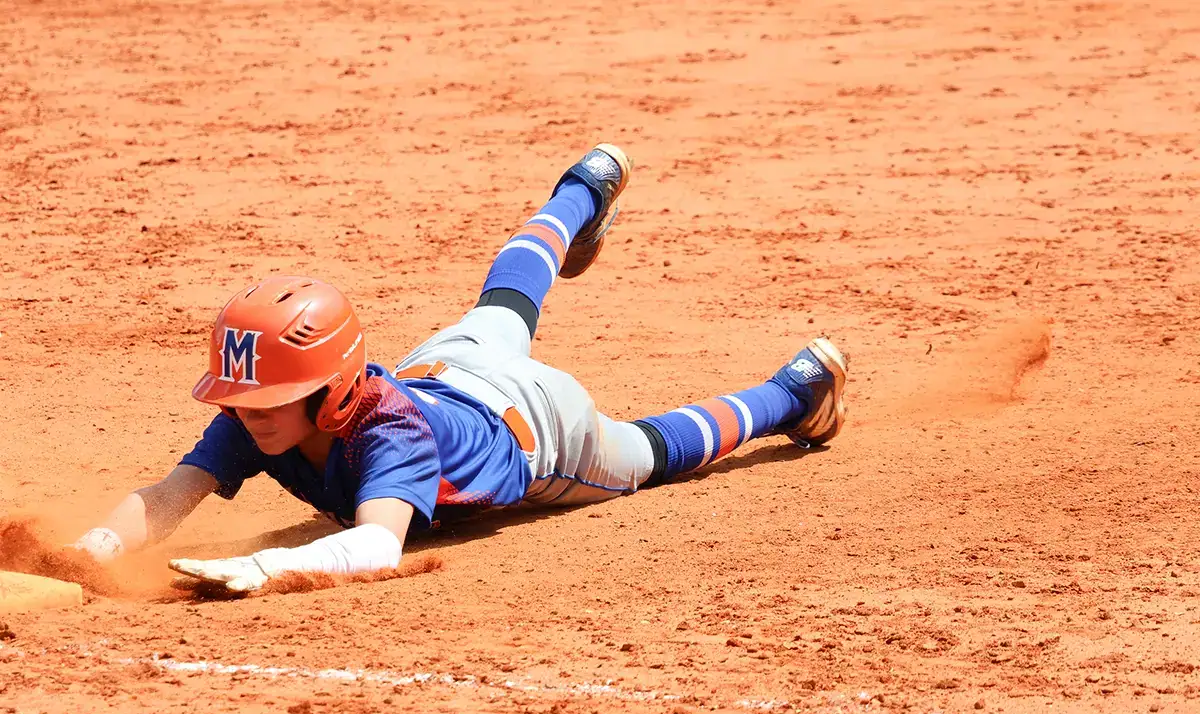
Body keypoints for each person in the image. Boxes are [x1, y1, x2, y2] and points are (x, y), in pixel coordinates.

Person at [70, 144, 848, 592]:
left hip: (543, 428)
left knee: (648, 454)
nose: (250, 414)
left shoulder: (390, 430)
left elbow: (377, 547)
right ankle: (580, 192)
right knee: (504, 302)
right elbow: (170, 493)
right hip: (446, 369)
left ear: (333, 389)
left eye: (271, 398)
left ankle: (796, 392)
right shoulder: (263, 408)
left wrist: (267, 567)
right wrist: (93, 550)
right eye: (245, 400)